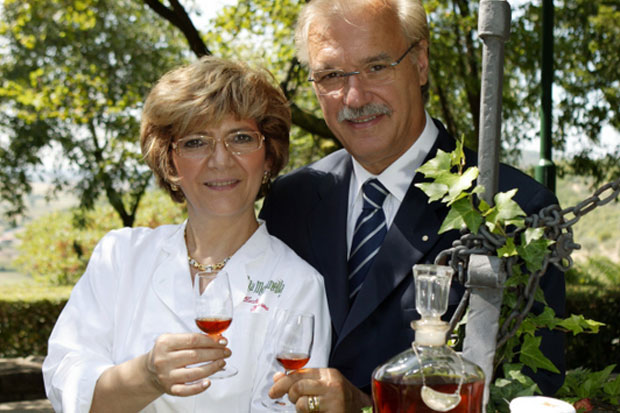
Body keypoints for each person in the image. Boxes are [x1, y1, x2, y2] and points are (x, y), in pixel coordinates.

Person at [260, 0, 566, 411]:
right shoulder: (289, 202)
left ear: (420, 62)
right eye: (332, 75)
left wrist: (366, 406)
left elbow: (526, 393)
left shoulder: (513, 210)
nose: (354, 96)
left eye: (376, 67)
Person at [42, 56, 331, 412]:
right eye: (196, 142)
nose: (221, 160)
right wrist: (146, 375)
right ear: (169, 161)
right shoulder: (120, 256)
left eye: (241, 138)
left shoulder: (298, 283)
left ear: (268, 157)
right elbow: (65, 381)